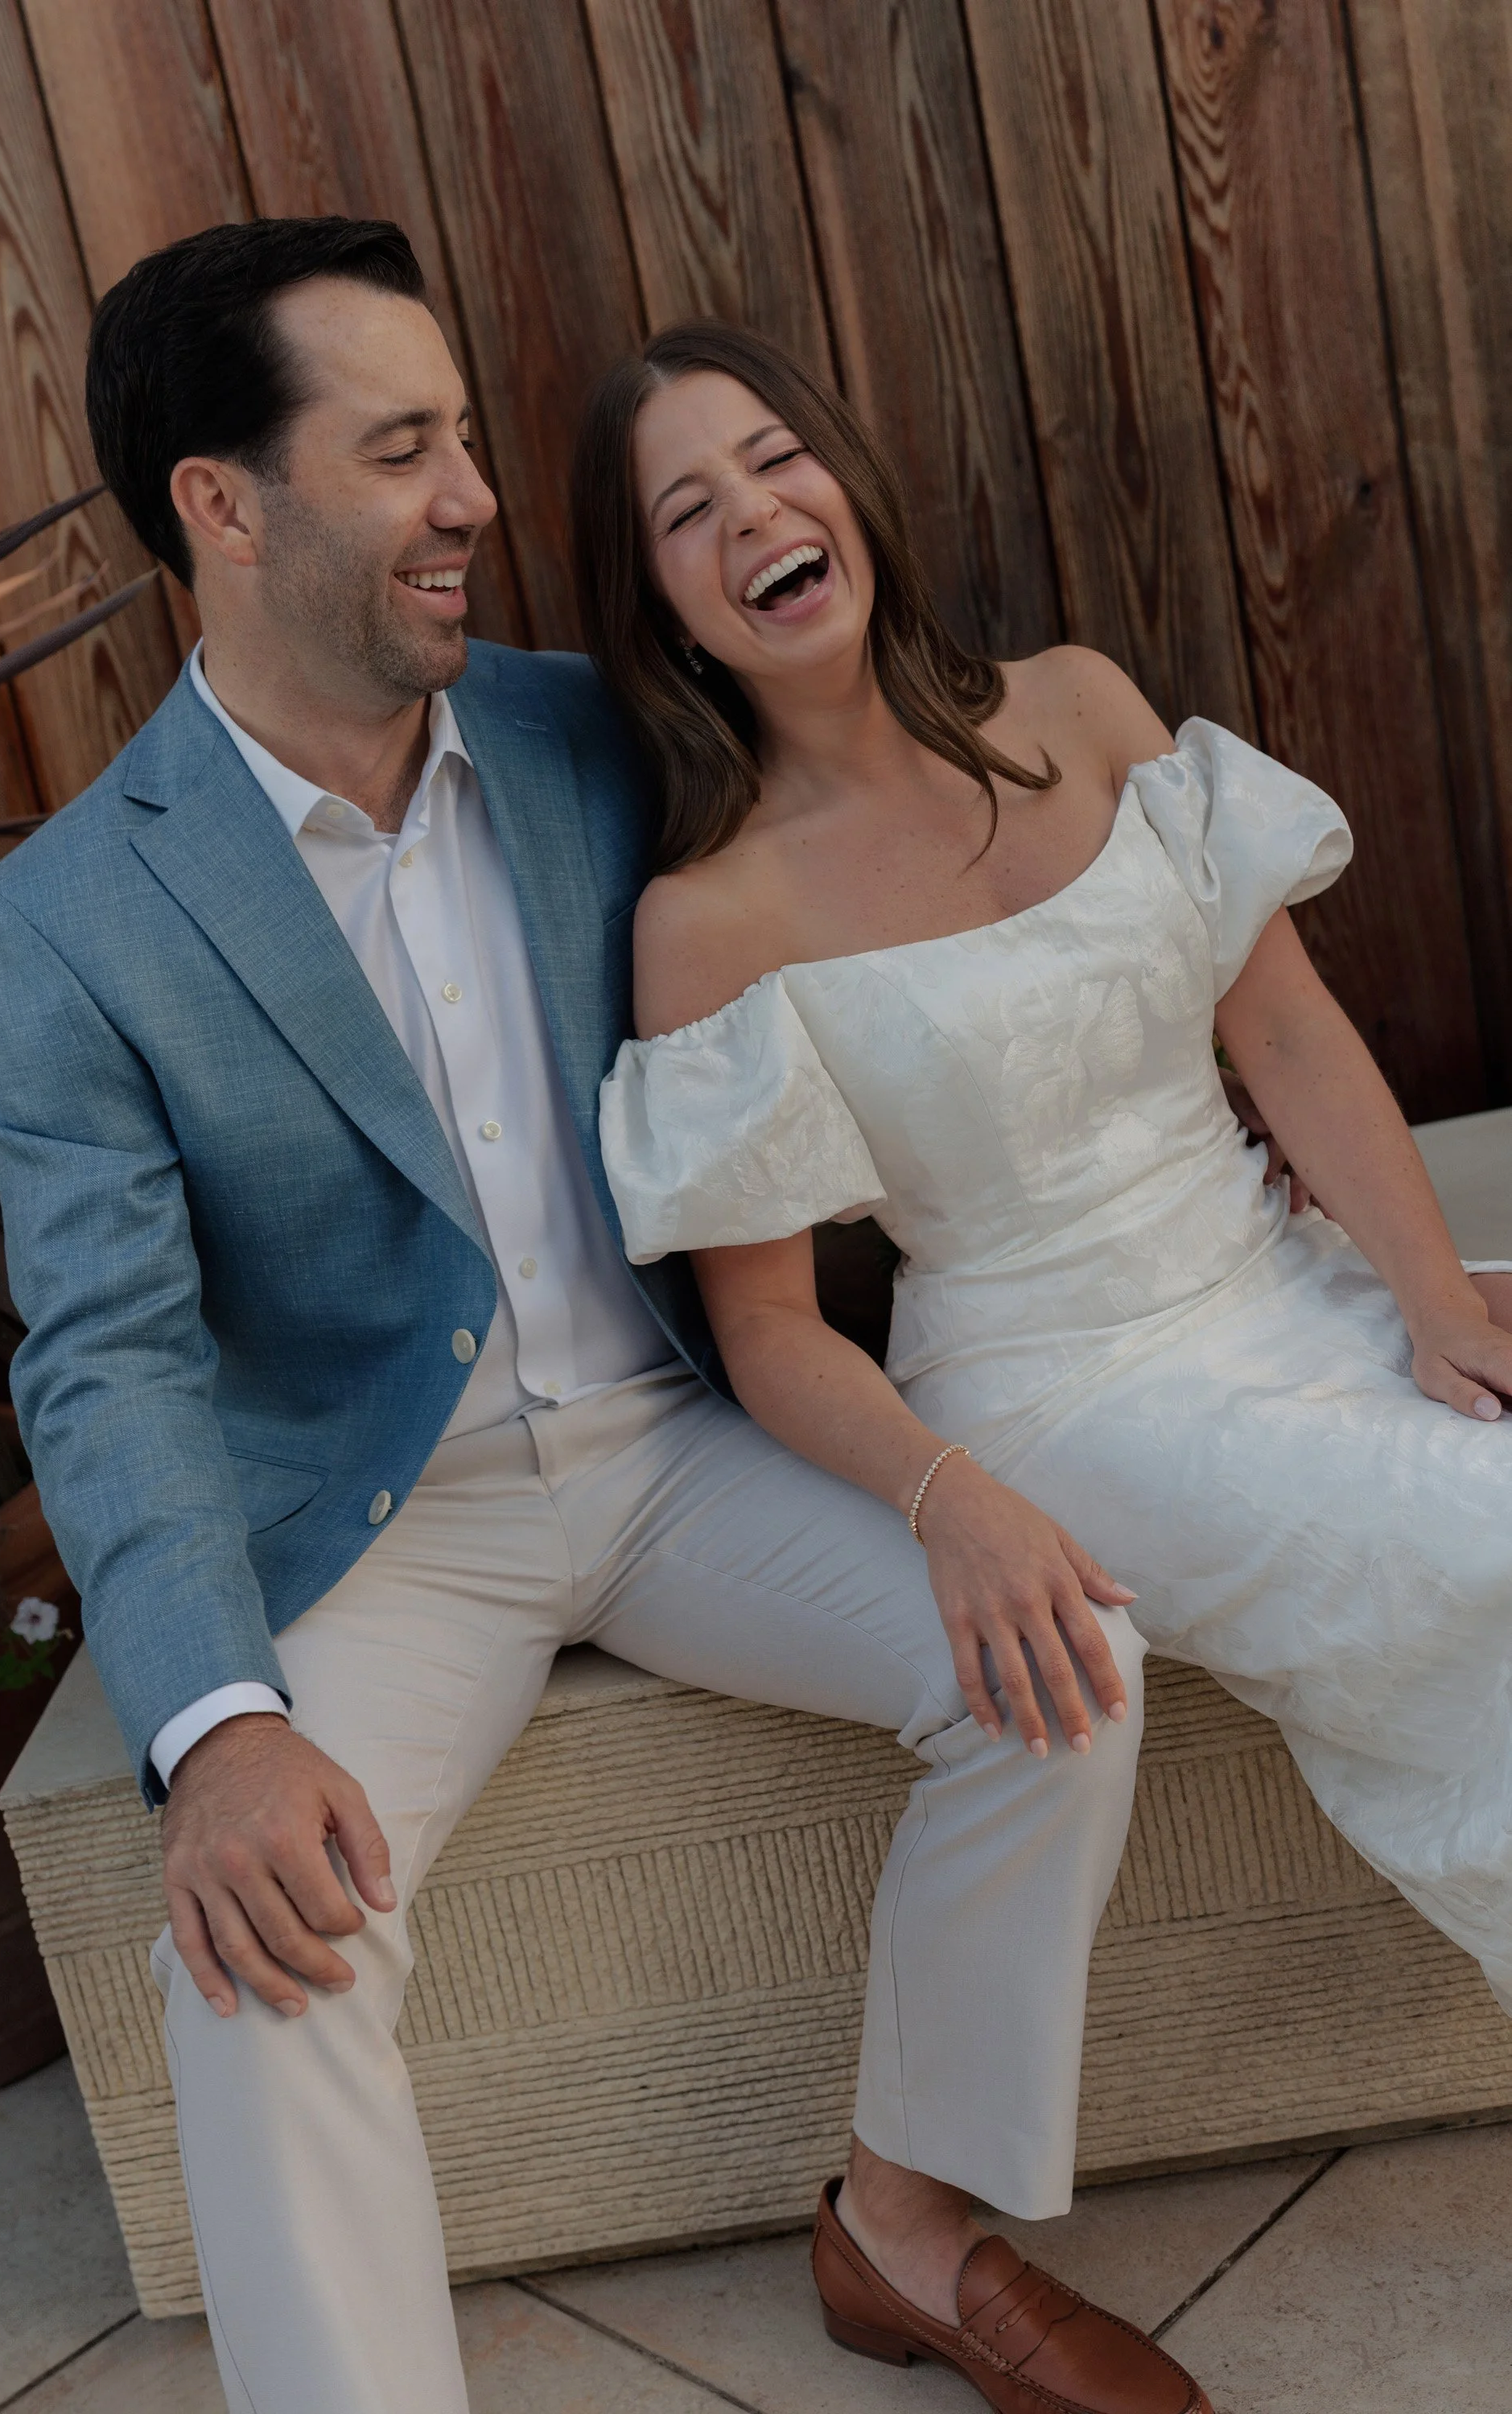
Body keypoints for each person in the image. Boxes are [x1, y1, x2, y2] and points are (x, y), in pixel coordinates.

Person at [0, 224, 1209, 2414]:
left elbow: (899, 853)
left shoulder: (586, 733)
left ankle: (905, 2234)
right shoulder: (69, 918)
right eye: (402, 452)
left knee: (1054, 1670)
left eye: (461, 441)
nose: (473, 497)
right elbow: (103, 1348)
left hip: (683, 1438)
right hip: (386, 1528)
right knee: (263, 1948)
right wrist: (216, 1729)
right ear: (223, 507)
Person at [579, 317, 1512, 2394]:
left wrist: (1438, 1297)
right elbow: (765, 1332)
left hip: (1266, 1272)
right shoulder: (712, 919)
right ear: (660, 606)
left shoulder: (1079, 710)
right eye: (685, 512)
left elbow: (1284, 1032)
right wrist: (955, 1504)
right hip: (1060, 1391)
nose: (754, 519)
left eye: (775, 460)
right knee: (1485, 1532)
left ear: (847, 478)